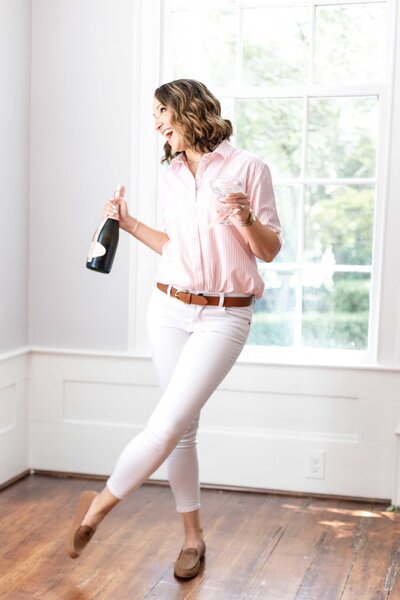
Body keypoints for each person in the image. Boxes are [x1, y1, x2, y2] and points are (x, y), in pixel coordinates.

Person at [66, 79, 282, 579]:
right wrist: (126, 221)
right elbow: (175, 247)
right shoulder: (172, 175)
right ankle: (192, 539)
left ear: (189, 111)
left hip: (224, 315)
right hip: (167, 308)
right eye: (155, 115)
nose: (157, 123)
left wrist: (246, 218)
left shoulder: (249, 168)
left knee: (164, 427)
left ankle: (95, 509)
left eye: (162, 112)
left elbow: (268, 250)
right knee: (181, 432)